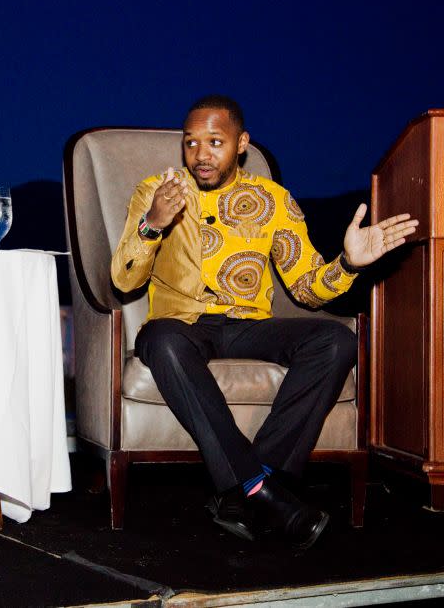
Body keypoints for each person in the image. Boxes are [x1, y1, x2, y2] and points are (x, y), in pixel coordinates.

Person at [111, 94, 417, 549]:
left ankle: (251, 484)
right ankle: (262, 491)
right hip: (183, 324)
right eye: (191, 143)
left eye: (215, 141)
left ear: (242, 144)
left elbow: (308, 288)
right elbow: (124, 278)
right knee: (159, 339)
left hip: (250, 325)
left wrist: (350, 265)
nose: (200, 154)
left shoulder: (273, 201)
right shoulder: (157, 191)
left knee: (335, 340)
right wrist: (153, 223)